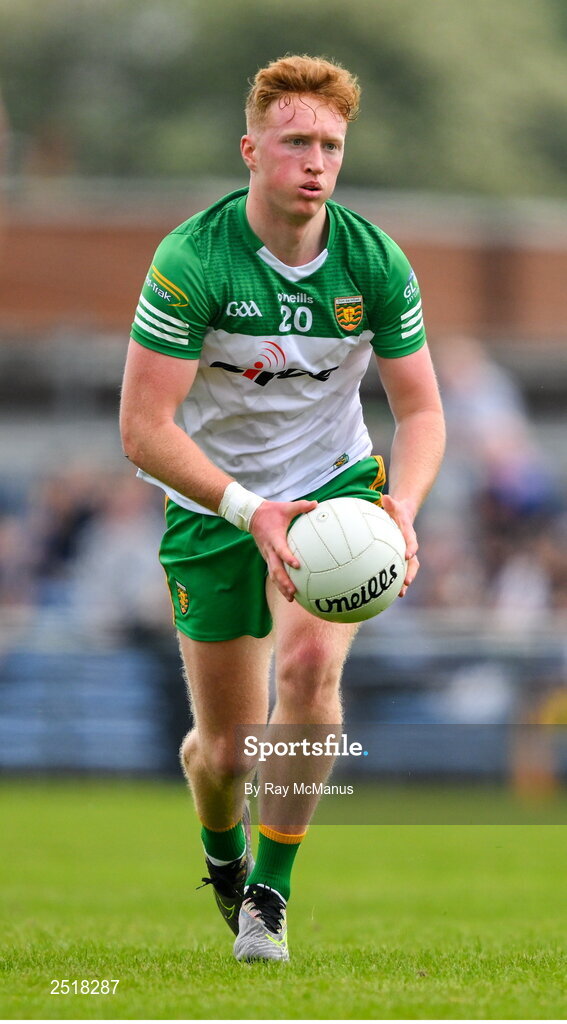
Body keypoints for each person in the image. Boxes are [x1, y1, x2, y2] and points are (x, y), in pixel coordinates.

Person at [120, 54, 445, 962]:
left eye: (330, 145)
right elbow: (144, 430)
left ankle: (270, 893)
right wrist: (246, 508)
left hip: (336, 490)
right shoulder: (193, 258)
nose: (315, 161)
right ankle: (223, 858)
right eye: (295, 141)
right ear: (250, 149)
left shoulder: (373, 260)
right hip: (215, 500)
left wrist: (403, 507)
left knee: (307, 668)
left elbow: (420, 410)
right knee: (224, 755)